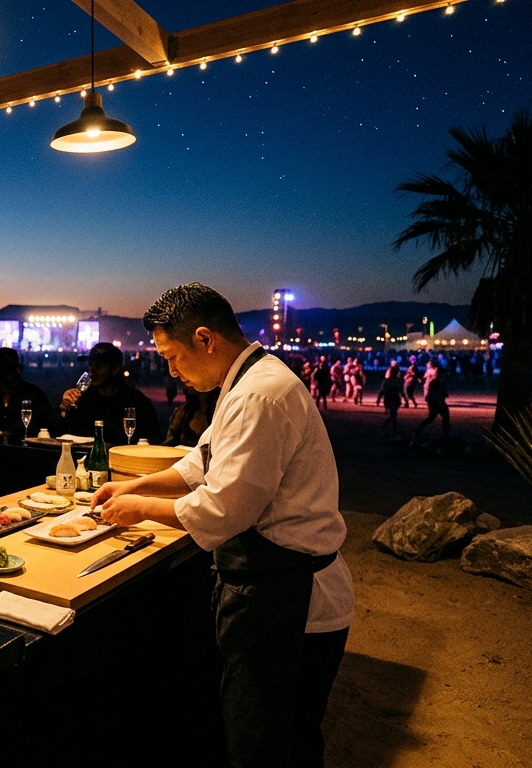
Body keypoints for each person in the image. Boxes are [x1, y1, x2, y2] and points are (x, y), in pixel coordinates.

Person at [93, 283, 352, 768]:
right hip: (270, 589)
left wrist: (141, 510)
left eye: (172, 356)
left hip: (291, 597)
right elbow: (199, 464)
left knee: (271, 741)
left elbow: (225, 509)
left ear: (206, 340)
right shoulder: (243, 382)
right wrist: (133, 488)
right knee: (256, 727)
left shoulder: (260, 395)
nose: (170, 370)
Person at [51, 342, 160, 444]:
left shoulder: (137, 403)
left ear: (115, 369)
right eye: (91, 366)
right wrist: (63, 408)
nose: (92, 372)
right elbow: (56, 430)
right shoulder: (83, 399)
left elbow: (154, 441)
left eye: (99, 367)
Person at [413, 358, 450, 445]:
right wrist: (435, 401)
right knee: (432, 418)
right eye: (443, 375)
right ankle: (418, 430)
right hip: (435, 403)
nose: (444, 377)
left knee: (444, 418)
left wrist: (444, 394)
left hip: (439, 403)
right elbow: (431, 394)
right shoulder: (435, 382)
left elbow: (442, 391)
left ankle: (446, 434)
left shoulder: (441, 382)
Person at [380, 362, 403, 438]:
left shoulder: (388, 381)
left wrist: (379, 398)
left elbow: (382, 390)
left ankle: (387, 425)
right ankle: (393, 428)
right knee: (393, 413)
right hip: (391, 398)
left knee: (393, 413)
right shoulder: (391, 381)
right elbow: (383, 390)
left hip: (392, 398)